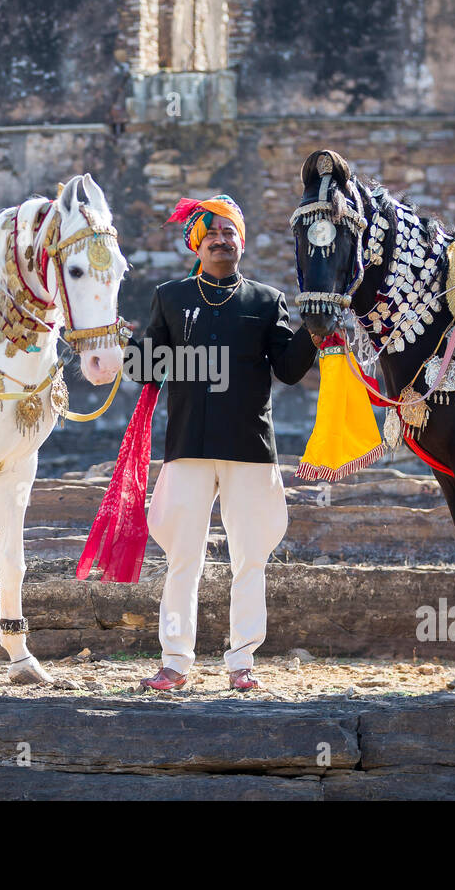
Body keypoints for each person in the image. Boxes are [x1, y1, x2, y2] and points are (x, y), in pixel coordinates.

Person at [126, 194, 319, 692]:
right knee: (181, 559)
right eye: (211, 232)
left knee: (250, 558)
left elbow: (290, 371)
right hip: (187, 446)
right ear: (197, 243)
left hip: (250, 448)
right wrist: (121, 346)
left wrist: (315, 330)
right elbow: (143, 370)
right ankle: (174, 663)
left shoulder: (265, 300)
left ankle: (242, 663)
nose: (220, 238)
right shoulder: (170, 297)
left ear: (241, 242)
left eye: (229, 231)